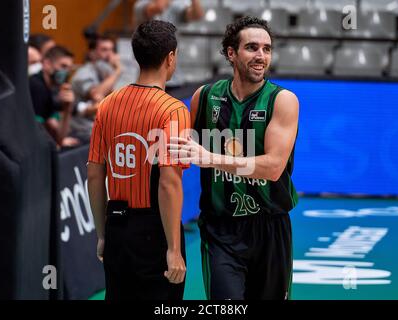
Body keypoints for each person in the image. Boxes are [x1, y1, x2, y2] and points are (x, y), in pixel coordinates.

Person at [170, 16, 299, 300]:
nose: (261, 56)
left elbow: (274, 168)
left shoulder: (283, 100)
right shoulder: (204, 97)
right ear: (231, 53)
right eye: (252, 47)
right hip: (220, 229)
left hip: (270, 227)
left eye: (267, 49)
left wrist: (210, 157)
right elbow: (179, 150)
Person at [87, 20, 190, 300]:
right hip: (154, 231)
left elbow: (95, 175)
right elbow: (169, 182)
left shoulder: (106, 104)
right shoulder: (173, 110)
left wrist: (102, 234)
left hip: (117, 225)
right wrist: (173, 249)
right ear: (170, 57)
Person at [29, 45, 79, 147]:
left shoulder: (55, 89)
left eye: (69, 68)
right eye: (63, 66)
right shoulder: (36, 86)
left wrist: (67, 108)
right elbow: (51, 137)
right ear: (47, 64)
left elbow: (59, 135)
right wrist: (57, 140)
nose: (66, 72)